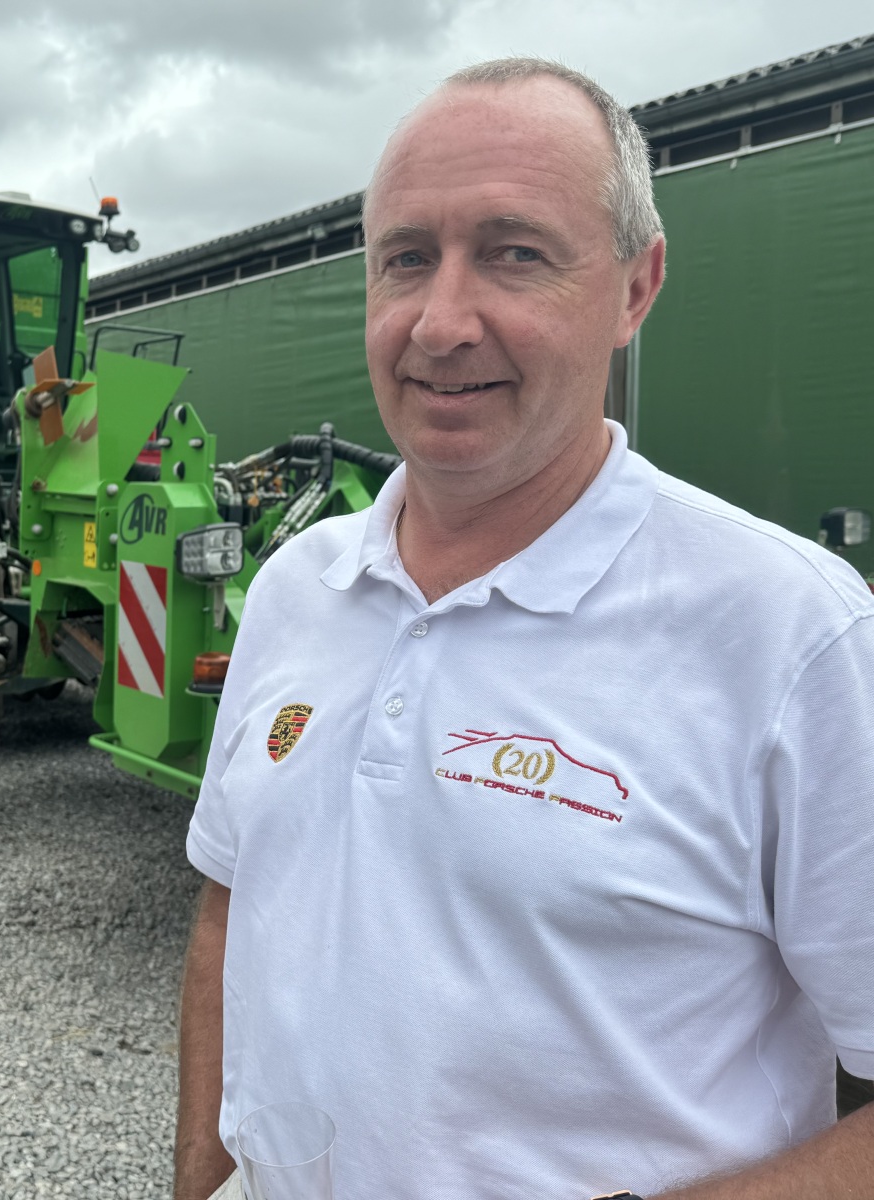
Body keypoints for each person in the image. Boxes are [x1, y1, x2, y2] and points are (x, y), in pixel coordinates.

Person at [175, 60, 874, 1200]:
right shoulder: (300, 587)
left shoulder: (793, 639)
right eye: (407, 258)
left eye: (514, 253)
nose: (441, 323)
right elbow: (230, 912)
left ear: (636, 288)